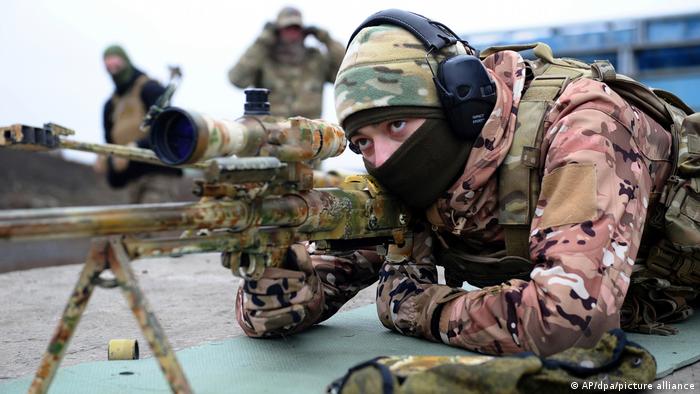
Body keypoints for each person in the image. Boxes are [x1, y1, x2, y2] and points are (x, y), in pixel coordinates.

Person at [235, 11, 676, 356]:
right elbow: (275, 316)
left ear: (462, 103)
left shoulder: (583, 126)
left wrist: (426, 309)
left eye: (399, 123)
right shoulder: (413, 179)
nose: (383, 158)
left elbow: (570, 323)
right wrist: (278, 249)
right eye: (362, 142)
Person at [96, 45, 182, 203]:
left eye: (116, 63)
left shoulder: (150, 89)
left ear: (126, 61)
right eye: (108, 66)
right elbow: (109, 142)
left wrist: (137, 146)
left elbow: (169, 129)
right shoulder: (110, 105)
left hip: (158, 174)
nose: (113, 70)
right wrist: (106, 157)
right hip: (130, 180)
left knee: (153, 223)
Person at [228, 6, 344, 119]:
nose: (292, 34)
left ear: (303, 31)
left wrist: (327, 39)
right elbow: (237, 80)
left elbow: (345, 72)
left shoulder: (315, 60)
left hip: (308, 135)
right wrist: (262, 41)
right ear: (277, 32)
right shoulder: (264, 59)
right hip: (272, 134)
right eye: (287, 29)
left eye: (296, 28)